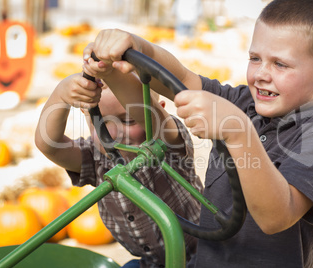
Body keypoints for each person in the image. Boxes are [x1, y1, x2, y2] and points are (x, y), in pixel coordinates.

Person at [81, 0, 313, 267]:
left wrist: (238, 132)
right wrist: (131, 55)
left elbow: (276, 218)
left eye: (280, 64)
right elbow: (184, 80)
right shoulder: (245, 102)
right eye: (255, 58)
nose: (260, 74)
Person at [34, 73, 203, 268]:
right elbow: (49, 145)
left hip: (207, 255)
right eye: (102, 123)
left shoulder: (166, 146)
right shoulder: (95, 158)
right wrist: (61, 94)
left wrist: (113, 72)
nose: (113, 134)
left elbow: (149, 112)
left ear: (158, 112)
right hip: (154, 263)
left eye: (129, 120)